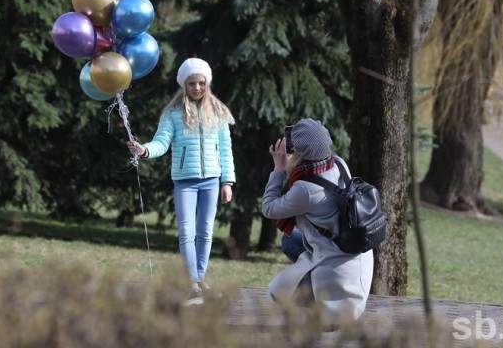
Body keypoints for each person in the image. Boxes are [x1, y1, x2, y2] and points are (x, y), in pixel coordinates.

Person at [127, 58, 235, 305]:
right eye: (191, 83)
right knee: (187, 231)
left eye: (201, 83)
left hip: (212, 180)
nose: (197, 88)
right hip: (185, 181)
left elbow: (226, 151)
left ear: (207, 83)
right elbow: (161, 142)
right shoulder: (173, 114)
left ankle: (200, 279)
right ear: (183, 85)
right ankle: (191, 282)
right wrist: (144, 150)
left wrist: (227, 182)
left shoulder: (218, 113)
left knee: (205, 232)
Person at [261, 118, 373, 324]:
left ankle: (312, 296)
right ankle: (309, 285)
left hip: (339, 280)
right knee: (290, 241)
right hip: (355, 257)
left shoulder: (305, 189)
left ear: (300, 153)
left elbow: (269, 208)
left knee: (275, 295)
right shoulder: (339, 163)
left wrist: (278, 169)